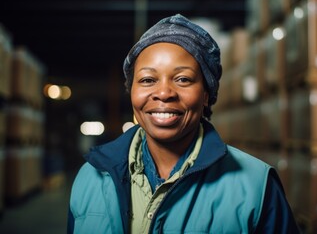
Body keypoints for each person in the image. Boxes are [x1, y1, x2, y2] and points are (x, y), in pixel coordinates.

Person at [67, 14, 300, 233]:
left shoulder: (256, 185)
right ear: (132, 92)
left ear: (206, 94)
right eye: (148, 80)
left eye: (183, 79)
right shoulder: (91, 177)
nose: (164, 93)